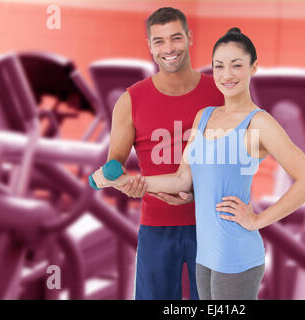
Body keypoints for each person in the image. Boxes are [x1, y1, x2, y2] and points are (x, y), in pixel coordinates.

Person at [94, 27, 305, 299]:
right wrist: (127, 182)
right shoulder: (204, 117)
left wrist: (258, 220)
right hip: (205, 255)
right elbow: (181, 180)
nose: (227, 75)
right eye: (219, 66)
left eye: (237, 65)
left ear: (254, 67)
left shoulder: (259, 123)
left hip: (236, 255)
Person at [93, 7, 224, 300]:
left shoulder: (219, 91)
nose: (169, 49)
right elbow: (114, 161)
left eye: (176, 38)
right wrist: (123, 182)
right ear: (150, 46)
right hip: (156, 227)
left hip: (212, 225)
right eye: (160, 41)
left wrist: (198, 191)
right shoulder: (130, 100)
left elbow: (239, 159)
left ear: (189, 38)